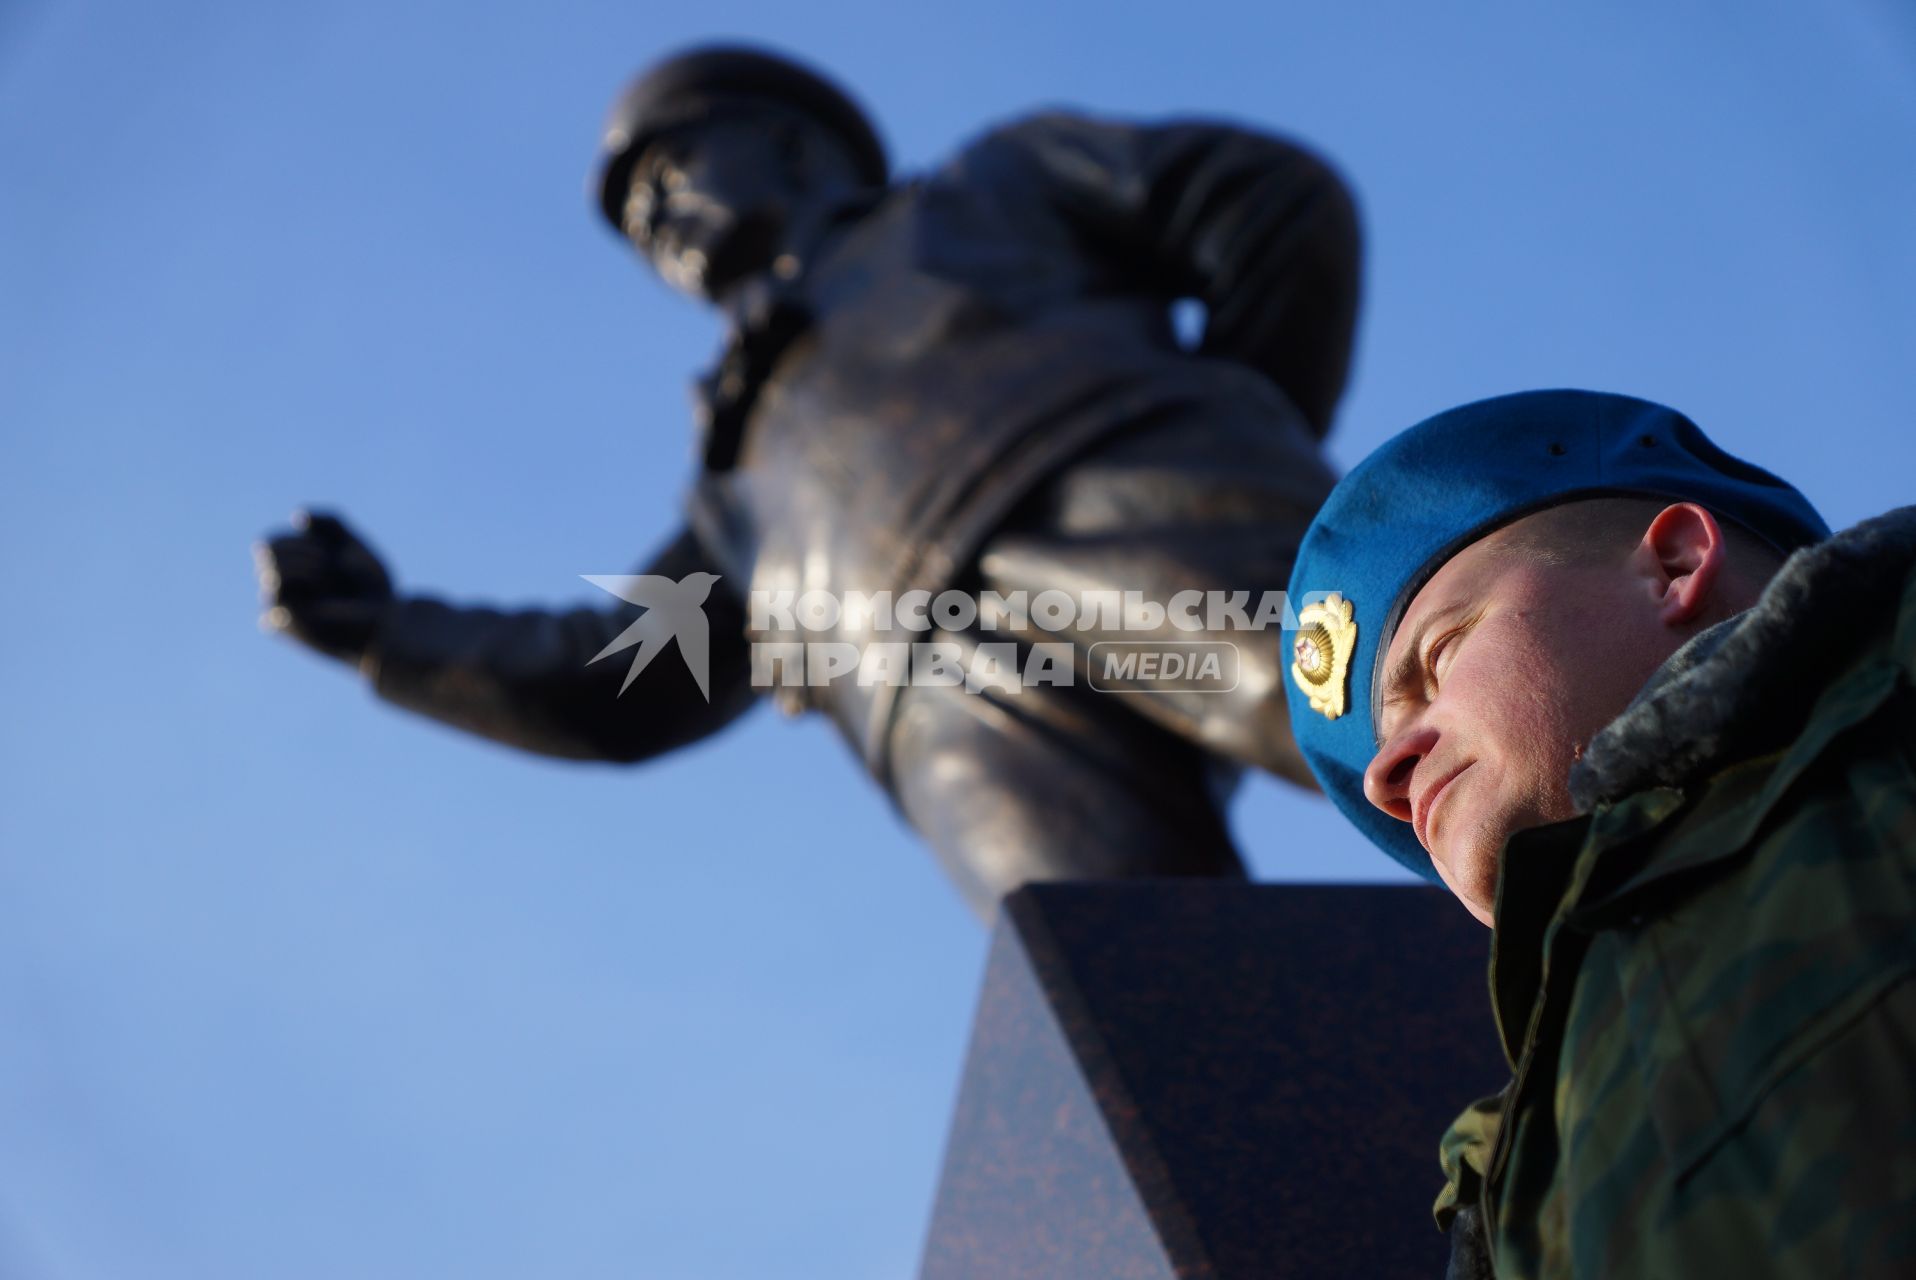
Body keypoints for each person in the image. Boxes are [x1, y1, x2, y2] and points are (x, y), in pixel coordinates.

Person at [255, 44, 1363, 917]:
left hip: (1120, 498)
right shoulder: (732, 488)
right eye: (636, 217)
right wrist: (385, 630)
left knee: (1405, 722)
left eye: (668, 172)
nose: (652, 218)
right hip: (932, 697)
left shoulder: (986, 190)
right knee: (1141, 1004)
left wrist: (1229, 420)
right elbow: (614, 678)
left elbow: (1265, 202)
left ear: (788, 146)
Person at [1282, 388, 1915, 1278]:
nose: (1389, 776)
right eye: (1384, 749)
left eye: (1441, 655)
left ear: (1676, 563)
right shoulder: (1499, 1179)